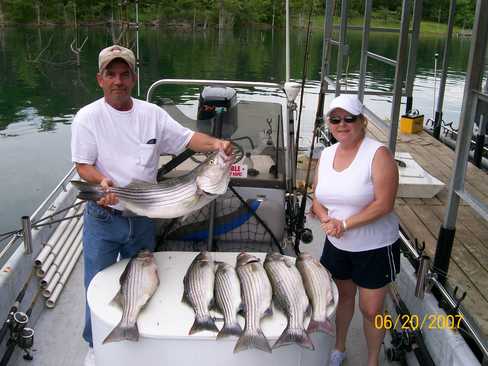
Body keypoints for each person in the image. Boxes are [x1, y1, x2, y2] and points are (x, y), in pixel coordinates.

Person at [71, 45, 233, 366]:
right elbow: (82, 166)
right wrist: (101, 183)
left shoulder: (152, 114)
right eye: (111, 74)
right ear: (100, 79)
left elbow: (188, 139)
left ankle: (136, 335)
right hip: (104, 214)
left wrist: (216, 145)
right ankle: (94, 345)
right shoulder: (87, 118)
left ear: (134, 78)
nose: (118, 80)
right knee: (96, 282)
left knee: (141, 281)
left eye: (124, 74)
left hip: (145, 215)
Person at [311, 95, 400, 366]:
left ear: (362, 121)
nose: (342, 124)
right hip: (337, 245)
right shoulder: (326, 154)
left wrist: (345, 224)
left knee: (371, 309)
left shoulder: (378, 154)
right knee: (343, 297)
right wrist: (325, 218)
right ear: (329, 123)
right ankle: (339, 347)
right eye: (335, 119)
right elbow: (317, 197)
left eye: (349, 118)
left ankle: (373, 360)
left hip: (374, 246)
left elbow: (384, 204)